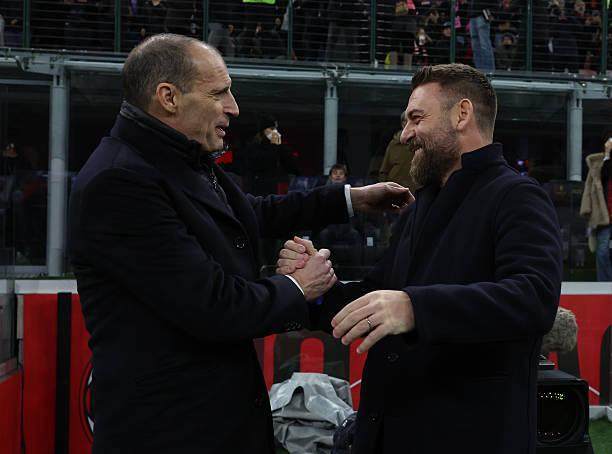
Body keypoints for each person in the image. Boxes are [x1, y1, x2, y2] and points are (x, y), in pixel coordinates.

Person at [68, 34, 411, 453]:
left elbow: (250, 211)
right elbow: (213, 306)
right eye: (219, 93)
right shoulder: (119, 182)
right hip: (170, 434)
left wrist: (351, 199)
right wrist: (300, 285)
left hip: (210, 423)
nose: (233, 107)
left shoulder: (175, 156)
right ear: (168, 97)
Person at [277, 63, 563, 454]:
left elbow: (534, 298)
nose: (405, 134)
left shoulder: (517, 196)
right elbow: (377, 299)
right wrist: (313, 288)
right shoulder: (419, 208)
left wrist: (415, 308)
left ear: (462, 114)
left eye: (416, 118)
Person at [580, 133, 612, 281]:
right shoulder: (600, 165)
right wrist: (607, 154)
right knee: (602, 251)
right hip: (605, 217)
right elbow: (599, 179)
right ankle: (605, 284)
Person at [379, 111, 418, 191]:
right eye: (406, 121)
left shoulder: (420, 143)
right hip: (395, 191)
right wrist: (385, 190)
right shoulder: (394, 144)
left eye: (413, 120)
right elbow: (384, 171)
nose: (409, 124)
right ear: (403, 123)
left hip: (415, 192)